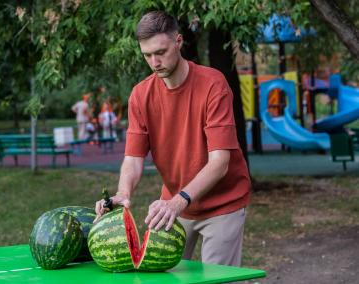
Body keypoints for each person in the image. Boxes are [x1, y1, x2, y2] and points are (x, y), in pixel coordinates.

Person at [95, 11, 251, 267]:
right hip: (174, 205)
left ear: (178, 41)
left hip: (223, 203)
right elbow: (133, 159)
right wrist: (123, 192)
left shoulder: (213, 84)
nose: (154, 62)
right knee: (164, 276)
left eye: (161, 52)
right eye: (147, 55)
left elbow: (220, 162)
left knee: (215, 281)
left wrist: (178, 201)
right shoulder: (140, 95)